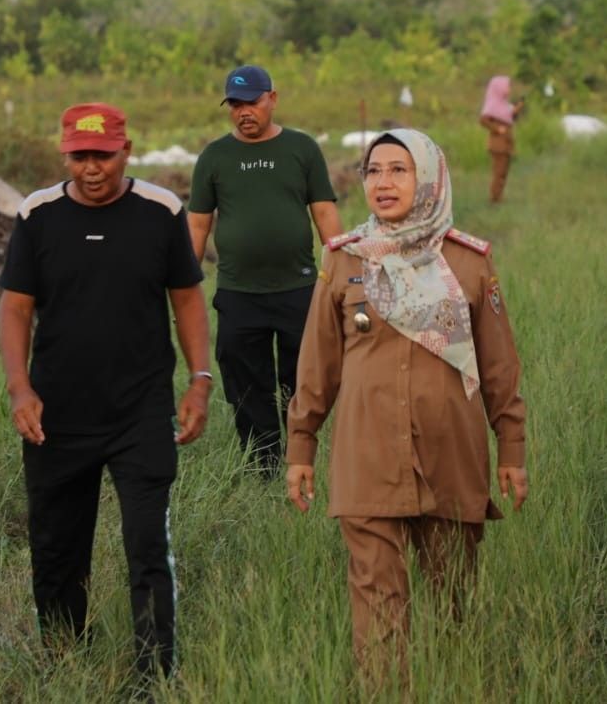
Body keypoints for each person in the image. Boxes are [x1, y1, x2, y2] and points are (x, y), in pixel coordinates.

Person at [287, 129, 528, 674]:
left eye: (399, 169)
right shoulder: (345, 262)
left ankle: (454, 684)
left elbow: (499, 368)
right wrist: (300, 445)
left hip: (451, 456)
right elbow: (317, 366)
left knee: (454, 602)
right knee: (376, 600)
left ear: (428, 177)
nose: (383, 182)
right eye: (374, 170)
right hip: (367, 456)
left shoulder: (468, 263)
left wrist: (511, 448)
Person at [0, 102, 212, 678]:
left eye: (103, 155)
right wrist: (20, 388)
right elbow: (16, 308)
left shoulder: (161, 211)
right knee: (56, 549)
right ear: (64, 153)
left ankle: (153, 673)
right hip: (57, 414)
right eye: (79, 156)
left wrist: (199, 380)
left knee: (146, 546)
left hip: (140, 412)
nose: (91, 168)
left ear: (127, 150)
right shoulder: (37, 214)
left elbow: (187, 298)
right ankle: (67, 662)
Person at [188, 65, 341, 475]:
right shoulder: (215, 156)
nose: (244, 112)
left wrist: (344, 266)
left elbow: (323, 210)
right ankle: (263, 465)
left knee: (302, 378)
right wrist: (184, 282)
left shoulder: (302, 149)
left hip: (298, 288)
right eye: (235, 104)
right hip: (239, 293)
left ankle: (302, 456)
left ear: (273, 98)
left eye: (252, 102)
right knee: (246, 382)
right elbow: (199, 222)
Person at [478, 75, 526, 203]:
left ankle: (498, 196)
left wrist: (518, 108)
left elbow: (511, 117)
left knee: (503, 172)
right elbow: (483, 120)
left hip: (507, 144)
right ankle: (495, 199)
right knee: (499, 173)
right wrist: (497, 129)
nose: (509, 89)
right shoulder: (492, 105)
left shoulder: (504, 105)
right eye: (507, 86)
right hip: (498, 144)